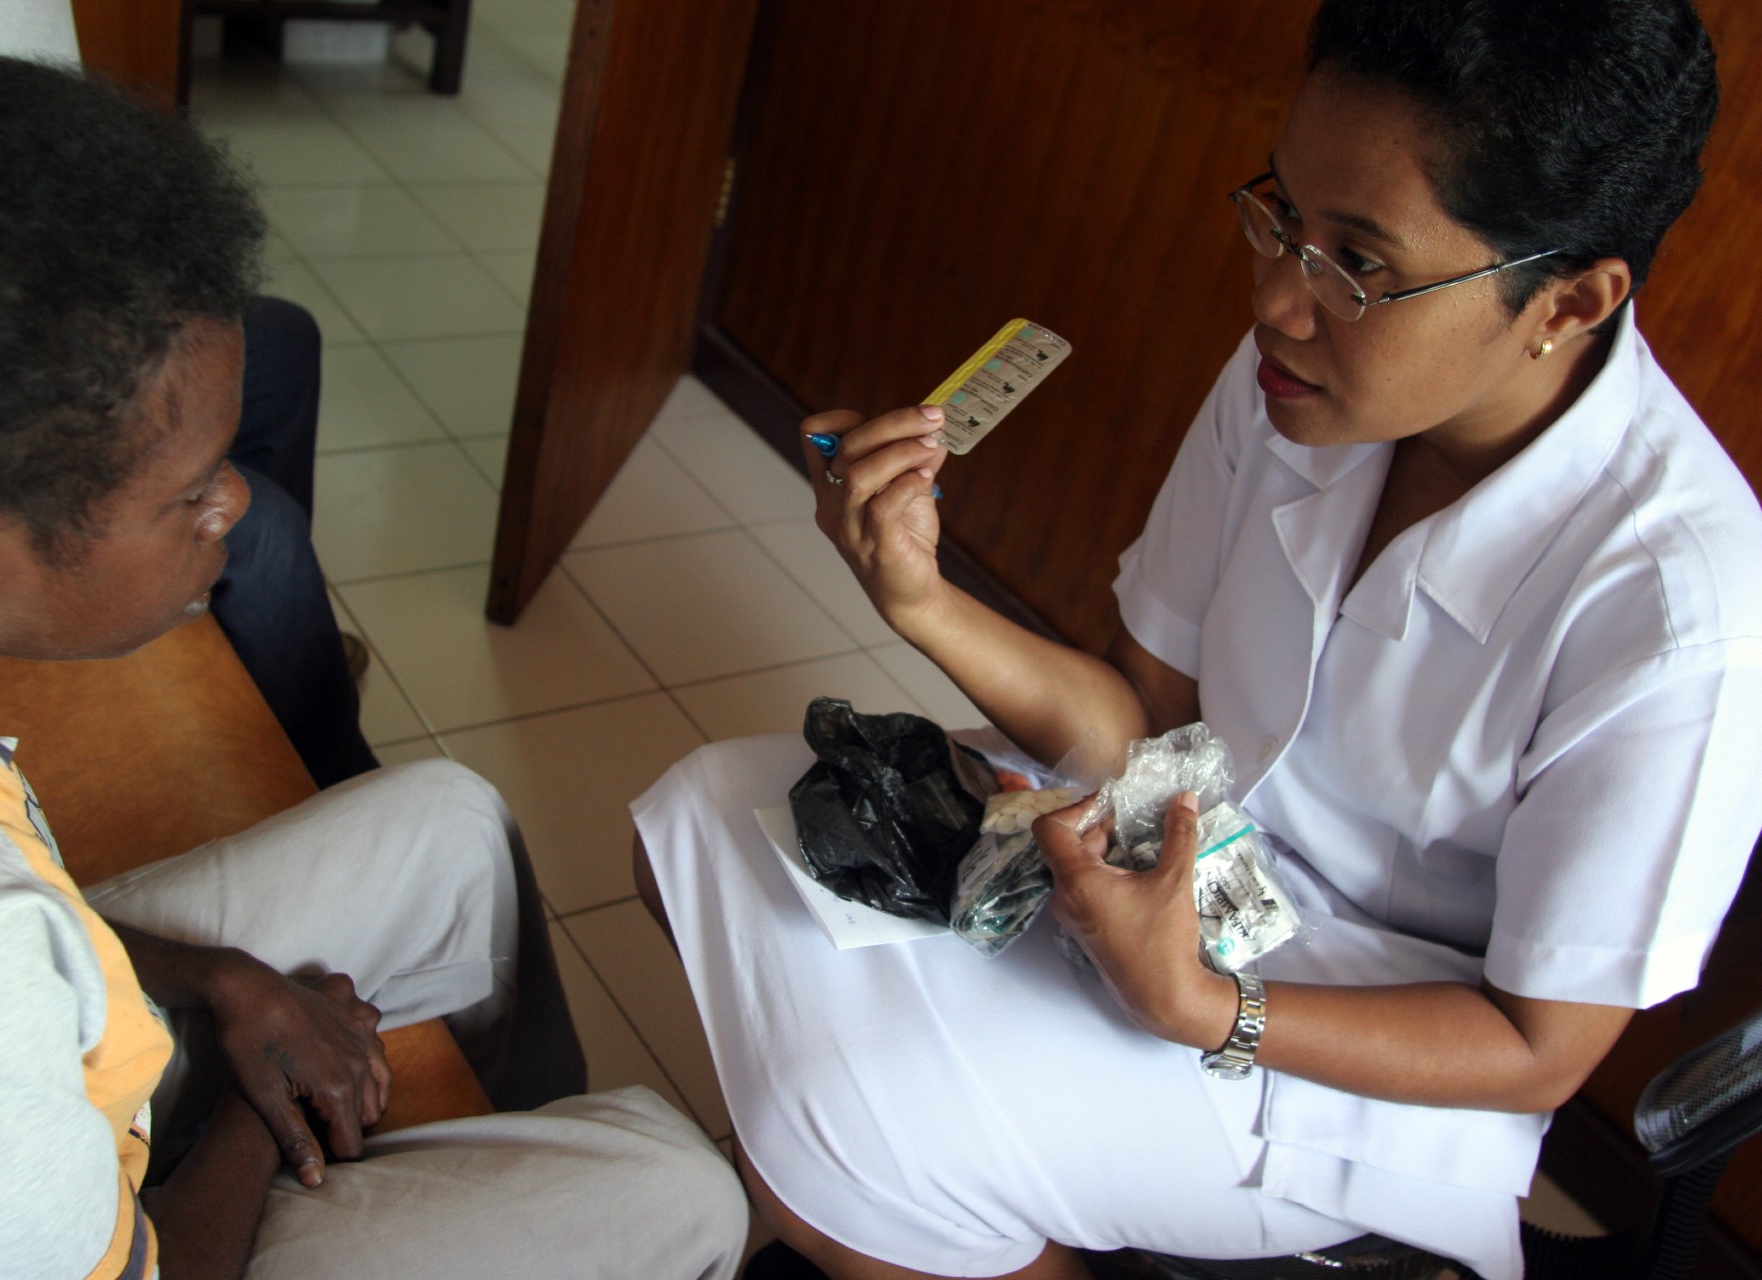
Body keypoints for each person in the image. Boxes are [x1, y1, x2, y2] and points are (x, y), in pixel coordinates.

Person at [630, 3, 1762, 1278]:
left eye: (1358, 263)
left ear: (1568, 299)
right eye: (1283, 213)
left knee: (829, 1141)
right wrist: (921, 596)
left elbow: (1537, 1045)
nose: (1277, 296)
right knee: (704, 819)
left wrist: (1207, 1006)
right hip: (1175, 846)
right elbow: (1143, 721)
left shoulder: (1681, 609)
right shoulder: (1299, 370)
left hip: (1353, 1059)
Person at [0, 52, 747, 1280]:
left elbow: (23, 935)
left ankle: (475, 1138)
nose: (232, 503)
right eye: (186, 495)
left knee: (446, 820)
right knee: (679, 1189)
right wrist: (260, 1118)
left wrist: (220, 979)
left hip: (40, 1030)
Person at [0, 0, 384, 791]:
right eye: (197, 492)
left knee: (281, 342)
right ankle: (326, 768)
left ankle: (260, 641)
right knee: (266, 538)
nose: (224, 497)